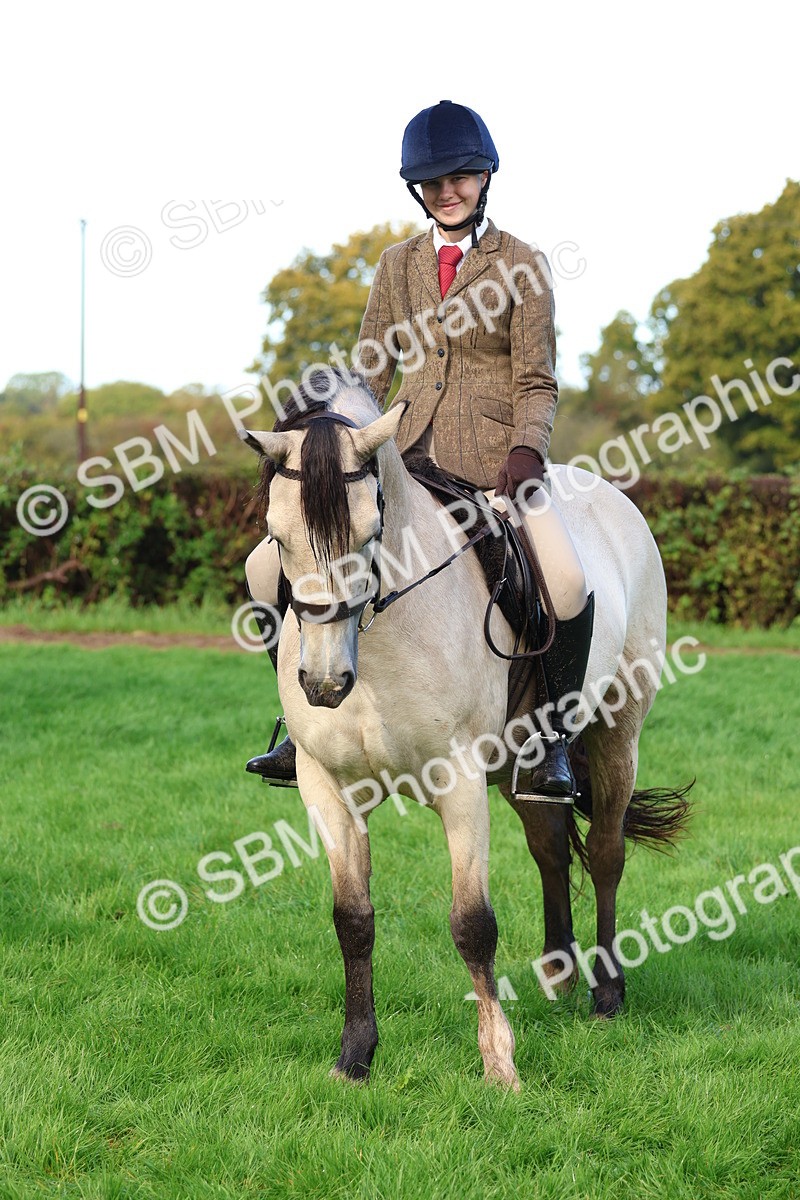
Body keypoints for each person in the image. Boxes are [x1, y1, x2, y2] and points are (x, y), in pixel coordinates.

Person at [245, 99, 594, 803]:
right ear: (417, 188)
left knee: (564, 581)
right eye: (434, 181)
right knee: (263, 568)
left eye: (460, 176)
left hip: (496, 465)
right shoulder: (395, 264)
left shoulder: (521, 264)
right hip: (403, 464)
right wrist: (338, 442)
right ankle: (296, 719)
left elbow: (536, 380)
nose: (448, 190)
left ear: (485, 175)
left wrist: (527, 451)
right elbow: (371, 371)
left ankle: (554, 742)